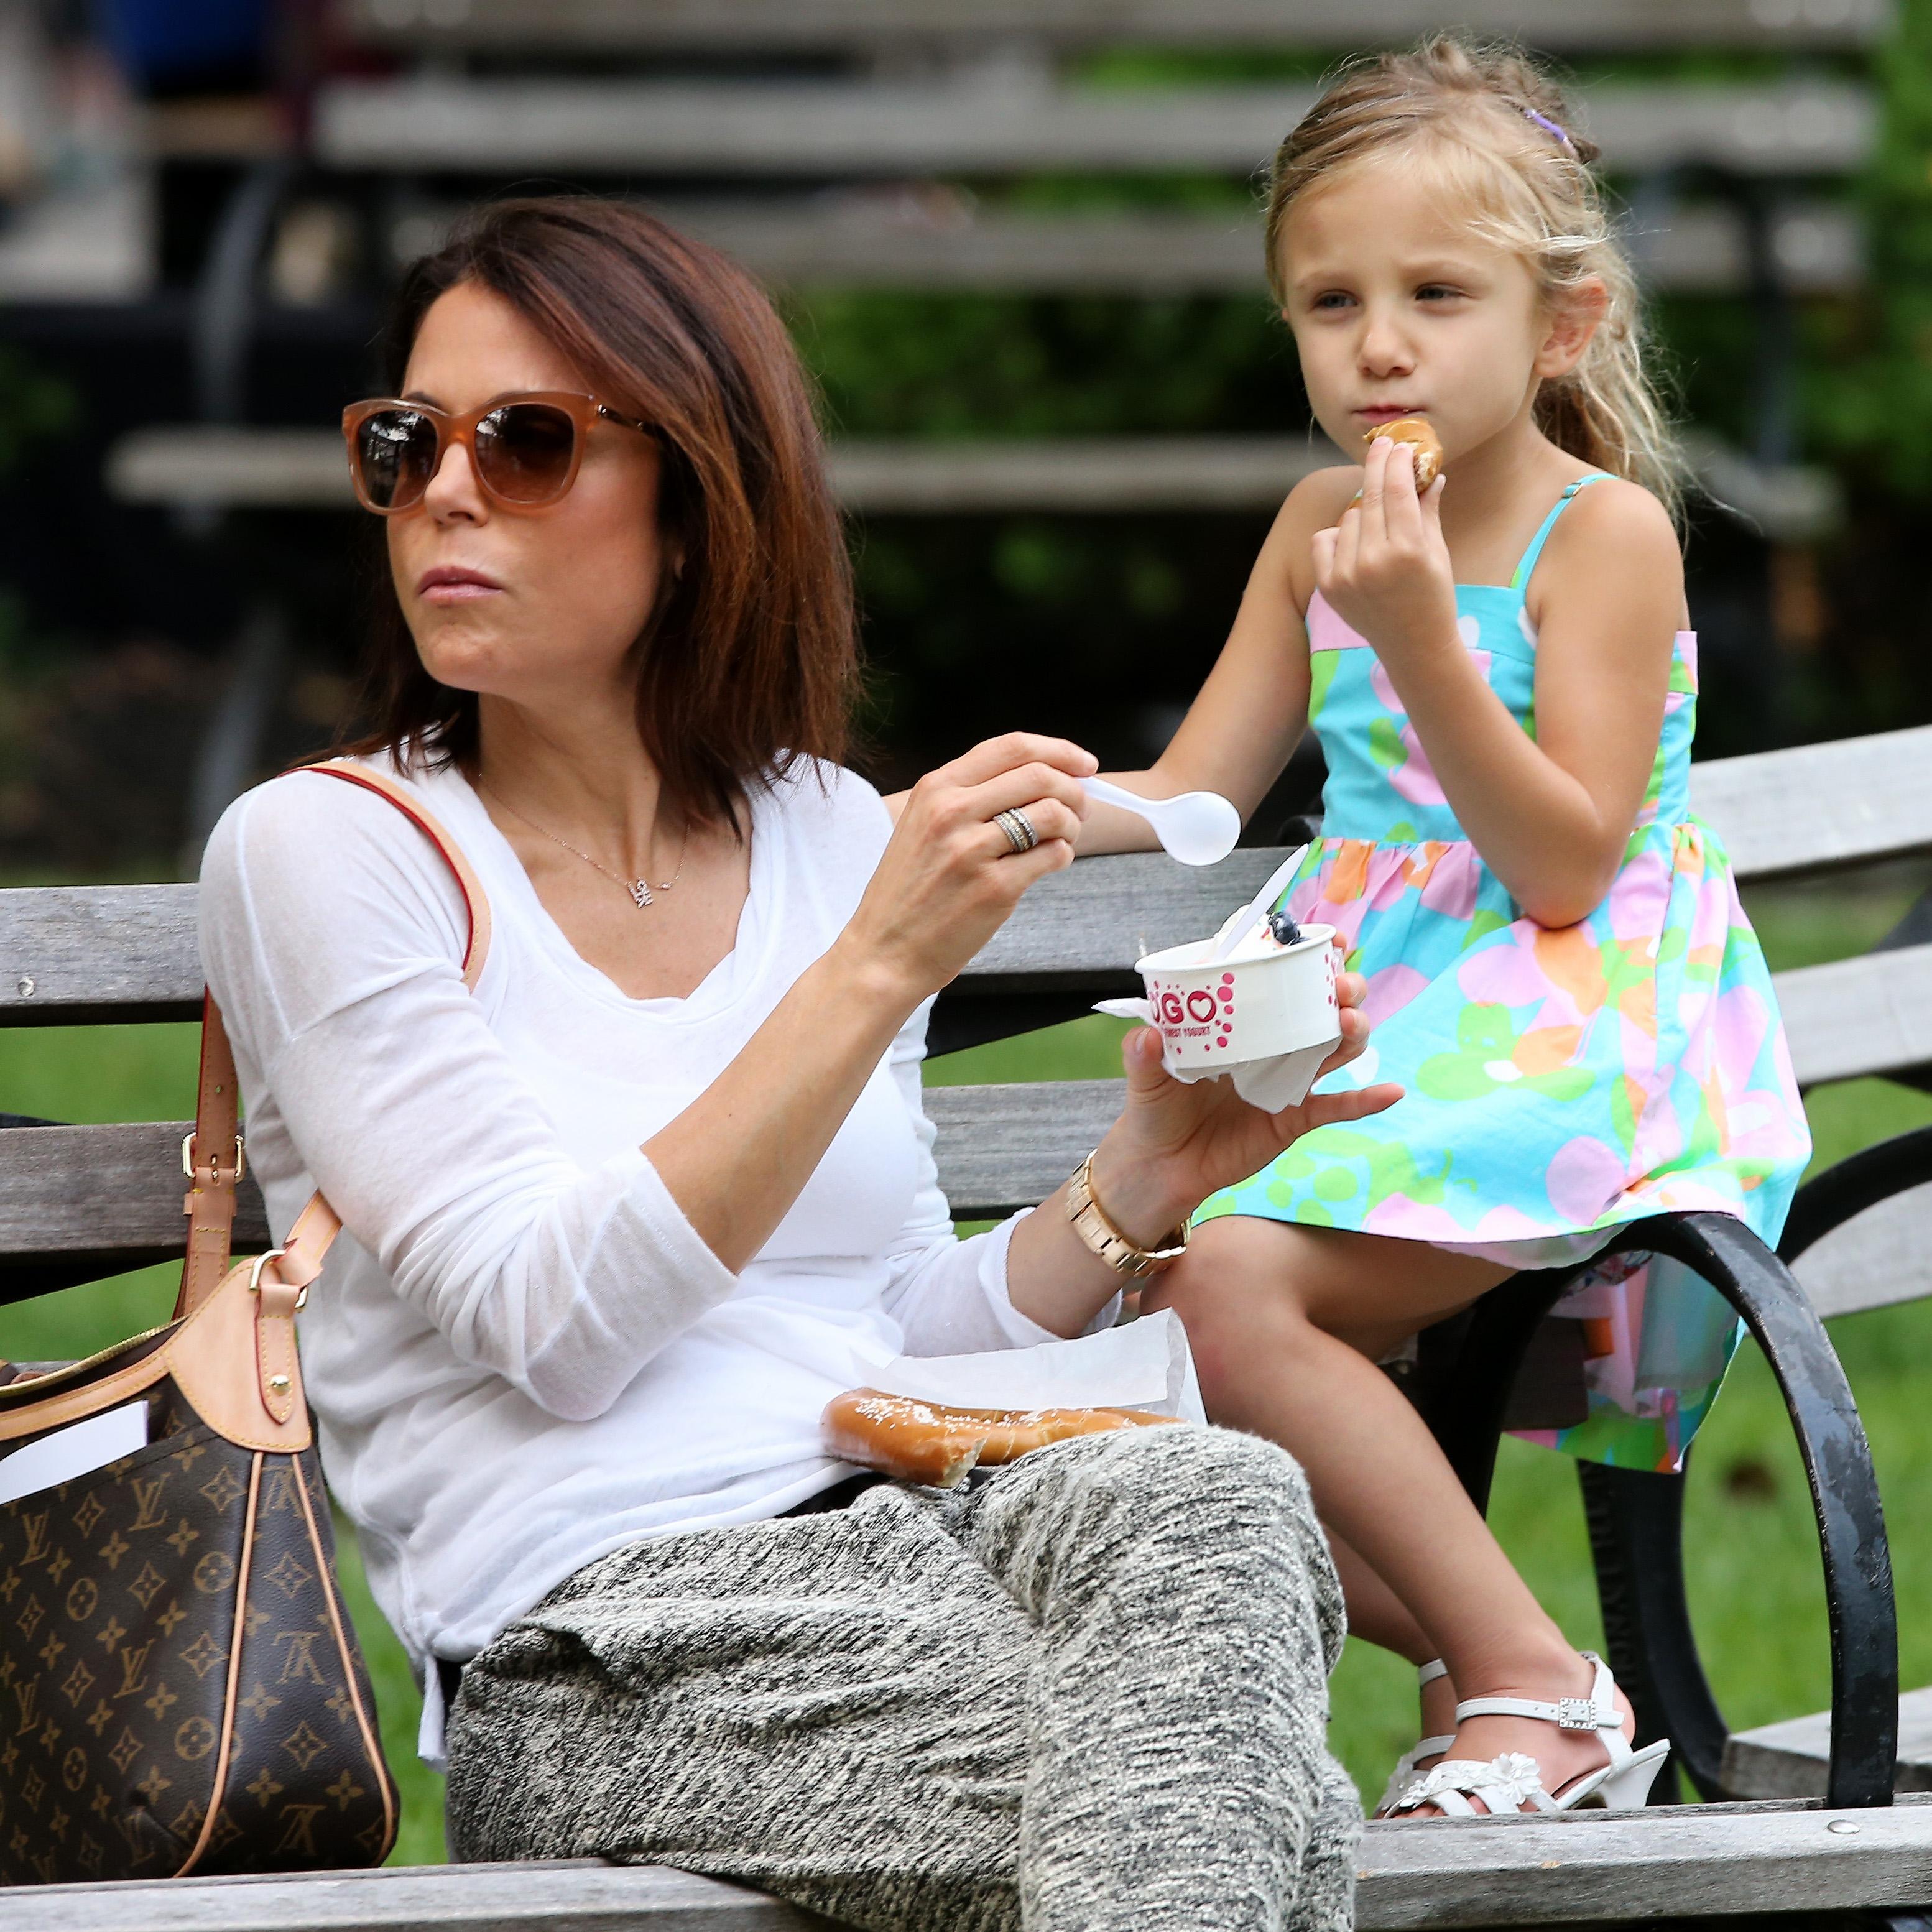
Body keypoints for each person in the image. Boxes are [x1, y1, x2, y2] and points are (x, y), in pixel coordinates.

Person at [197, 196, 1402, 1930]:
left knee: (1212, 1501)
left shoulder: (824, 829)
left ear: (695, 505)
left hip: (924, 1530)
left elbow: (876, 1323)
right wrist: (876, 966)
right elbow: (552, 1323)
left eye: (527, 442)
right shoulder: (330, 850)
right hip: (601, 1639)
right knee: (1257, 1795)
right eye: (410, 440)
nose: (449, 490)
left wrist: (1131, 1188)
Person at [1068, 37, 1812, 1817]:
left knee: (1231, 1285)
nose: (1376, 344)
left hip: (1567, 1017)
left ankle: (1524, 1678)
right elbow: (1199, 783)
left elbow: (1563, 860)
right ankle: (1527, 1669)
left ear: (1557, 323)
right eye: (1330, 300)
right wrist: (1048, 805)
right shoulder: (1319, 518)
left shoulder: (1598, 534)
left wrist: (1413, 638)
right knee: (1158, 1320)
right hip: (1376, 1001)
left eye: (1432, 294)